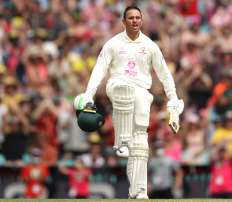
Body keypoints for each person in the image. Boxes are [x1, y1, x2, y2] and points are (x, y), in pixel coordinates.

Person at [73, 5, 184, 199]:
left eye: (137, 17)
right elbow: (99, 69)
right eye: (130, 18)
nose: (134, 20)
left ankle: (138, 191)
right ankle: (122, 140)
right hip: (117, 85)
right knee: (125, 90)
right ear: (123, 22)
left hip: (142, 91)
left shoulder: (150, 46)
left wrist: (173, 98)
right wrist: (89, 94)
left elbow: (165, 74)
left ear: (141, 21)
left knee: (140, 141)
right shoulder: (113, 44)